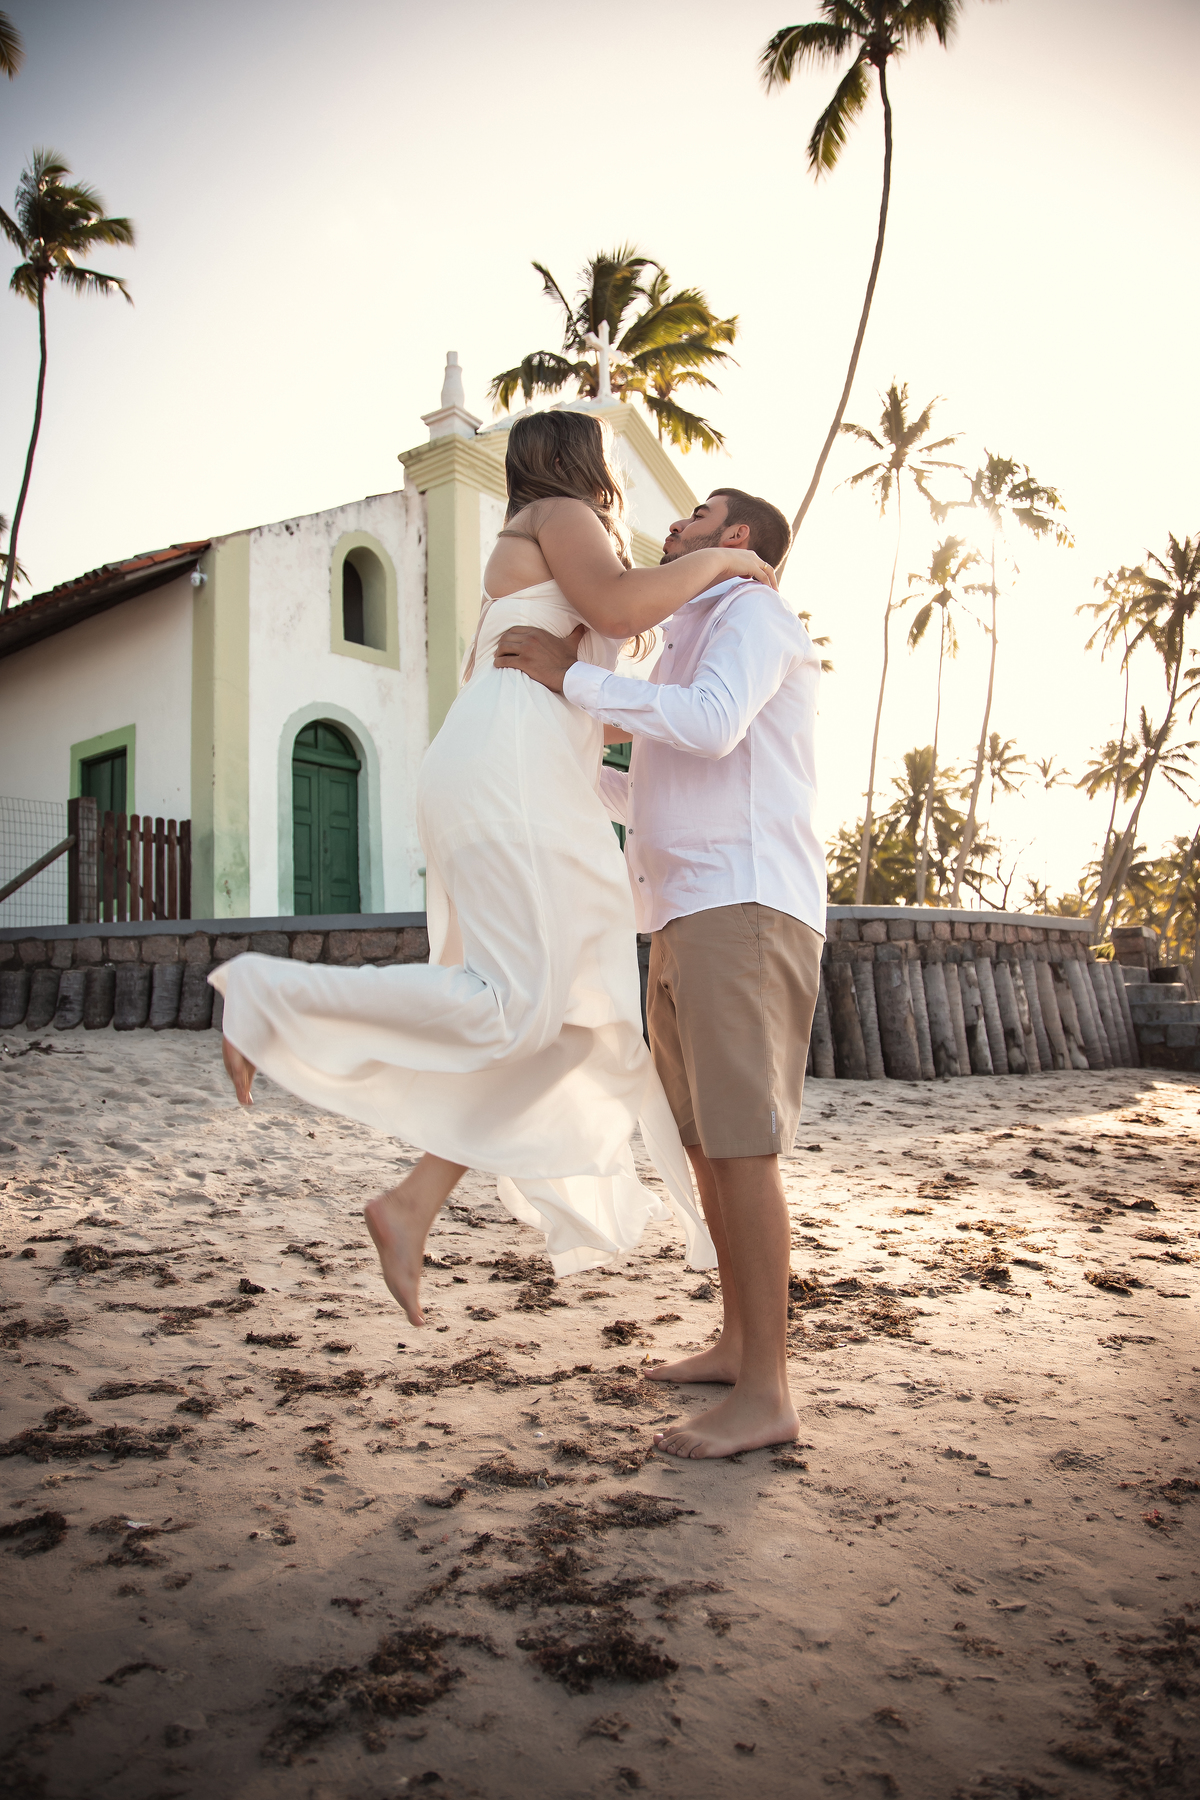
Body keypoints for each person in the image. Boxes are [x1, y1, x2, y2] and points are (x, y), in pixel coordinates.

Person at [211, 413, 780, 1332]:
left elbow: (589, 681)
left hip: (521, 774)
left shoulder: (537, 547)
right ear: (578, 461)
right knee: (518, 1004)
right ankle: (269, 998)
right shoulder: (564, 515)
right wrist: (725, 563)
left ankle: (412, 1204)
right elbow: (623, 610)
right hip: (514, 778)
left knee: (579, 1022)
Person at [493, 487, 825, 1460]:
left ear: (735, 539)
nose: (670, 528)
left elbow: (713, 725)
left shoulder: (754, 615)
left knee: (742, 1144)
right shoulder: (682, 639)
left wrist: (574, 681)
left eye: (692, 517)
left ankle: (768, 1391)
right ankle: (737, 1345)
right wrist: (553, 759)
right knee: (705, 1143)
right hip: (683, 911)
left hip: (746, 904)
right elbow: (649, 782)